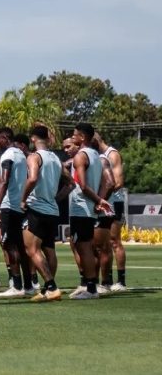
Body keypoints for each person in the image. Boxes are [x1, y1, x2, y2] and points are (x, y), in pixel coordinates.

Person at [21, 126, 66, 302]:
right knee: (49, 249)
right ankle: (48, 290)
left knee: (31, 249)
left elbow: (32, 178)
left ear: (32, 139)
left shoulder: (34, 157)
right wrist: (55, 198)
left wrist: (23, 199)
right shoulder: (55, 158)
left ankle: (52, 287)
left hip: (37, 208)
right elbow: (70, 183)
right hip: (52, 210)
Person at [68, 123, 112, 300]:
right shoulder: (96, 155)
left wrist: (98, 200)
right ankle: (89, 284)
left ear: (83, 137)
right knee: (85, 246)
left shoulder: (81, 156)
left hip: (80, 207)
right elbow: (106, 183)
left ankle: (91, 288)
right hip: (88, 209)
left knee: (83, 247)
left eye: (74, 135)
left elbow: (83, 186)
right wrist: (99, 200)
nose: (72, 138)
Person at [0, 128, 31, 298]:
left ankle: (16, 286)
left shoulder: (8, 155)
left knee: (8, 244)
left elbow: (4, 181)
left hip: (8, 206)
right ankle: (28, 284)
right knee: (21, 247)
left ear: (5, 138)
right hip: (19, 205)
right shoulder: (22, 155)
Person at [94, 133, 127, 291]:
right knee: (102, 243)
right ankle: (107, 280)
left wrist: (101, 196)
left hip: (114, 202)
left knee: (114, 241)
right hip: (105, 202)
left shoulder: (111, 154)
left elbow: (118, 182)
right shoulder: (97, 155)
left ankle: (120, 282)